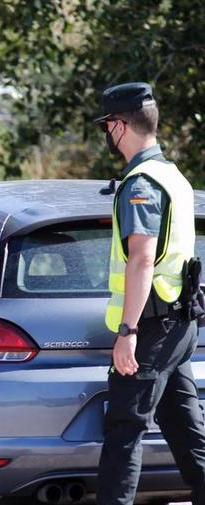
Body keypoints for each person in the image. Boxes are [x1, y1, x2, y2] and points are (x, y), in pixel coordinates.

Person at [94, 82, 205, 504]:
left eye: (107, 125)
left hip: (152, 329)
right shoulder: (173, 175)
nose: (106, 133)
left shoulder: (140, 183)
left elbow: (141, 260)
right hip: (179, 325)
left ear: (119, 126)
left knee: (124, 430)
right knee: (185, 429)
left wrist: (128, 331)